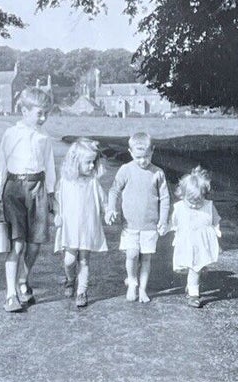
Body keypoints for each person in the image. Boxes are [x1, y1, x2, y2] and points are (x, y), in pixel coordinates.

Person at [0, 86, 56, 315]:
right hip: (14, 189)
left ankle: (23, 280)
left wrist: (51, 194)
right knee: (17, 244)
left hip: (38, 188)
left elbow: (49, 166)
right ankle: (10, 294)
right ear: (25, 110)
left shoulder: (44, 137)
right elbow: (1, 165)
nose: (44, 117)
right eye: (39, 113)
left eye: (46, 113)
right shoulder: (11, 134)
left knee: (35, 244)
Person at [106, 131, 171, 304]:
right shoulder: (126, 170)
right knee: (132, 254)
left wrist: (163, 220)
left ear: (152, 151)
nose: (143, 161)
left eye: (146, 156)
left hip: (150, 225)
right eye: (138, 157)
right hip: (130, 224)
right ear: (130, 152)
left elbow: (165, 199)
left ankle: (142, 289)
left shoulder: (158, 173)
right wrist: (110, 209)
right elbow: (114, 190)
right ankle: (132, 282)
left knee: (147, 257)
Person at [55, 137, 109, 308]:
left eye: (94, 162)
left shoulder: (93, 182)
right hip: (70, 228)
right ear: (75, 162)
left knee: (84, 260)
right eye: (88, 163)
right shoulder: (66, 182)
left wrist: (108, 211)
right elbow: (58, 200)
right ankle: (71, 279)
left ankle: (82, 291)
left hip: (87, 227)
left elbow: (103, 200)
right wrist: (56, 214)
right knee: (69, 260)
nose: (92, 166)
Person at [170, 166, 222, 308]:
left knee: (197, 267)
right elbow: (175, 222)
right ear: (182, 194)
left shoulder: (208, 206)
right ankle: (192, 289)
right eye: (190, 201)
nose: (193, 205)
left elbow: (215, 220)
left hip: (202, 242)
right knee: (191, 267)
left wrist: (217, 236)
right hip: (187, 241)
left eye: (198, 201)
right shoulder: (180, 207)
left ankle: (193, 292)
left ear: (204, 195)